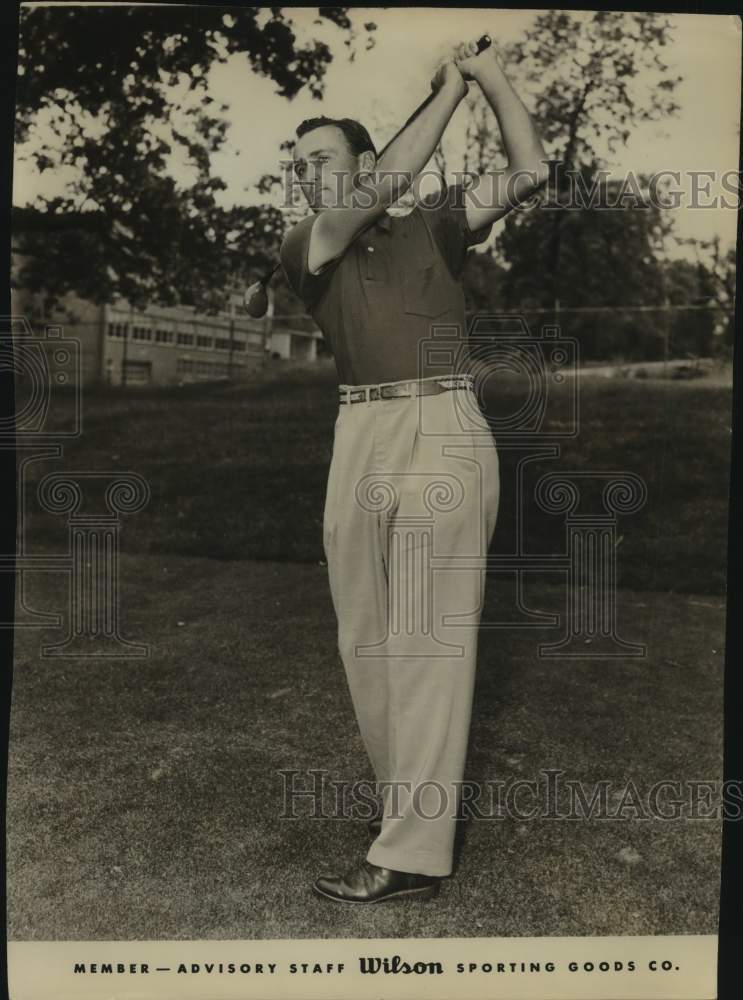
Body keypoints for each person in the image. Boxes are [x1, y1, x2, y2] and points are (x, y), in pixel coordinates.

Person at [280, 36, 548, 904]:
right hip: (358, 434)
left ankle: (410, 854)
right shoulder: (305, 241)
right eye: (297, 164)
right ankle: (409, 811)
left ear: (358, 157)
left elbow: (530, 170)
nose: (304, 174)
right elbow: (381, 186)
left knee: (426, 640)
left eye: (320, 158)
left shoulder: (434, 225)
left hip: (442, 424)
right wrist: (446, 90)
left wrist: (489, 78)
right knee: (365, 638)